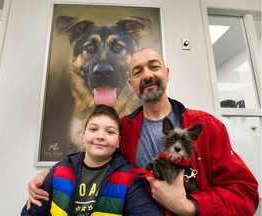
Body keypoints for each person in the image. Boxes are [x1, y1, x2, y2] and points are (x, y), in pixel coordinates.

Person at [26, 48, 259, 215]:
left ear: (166, 73)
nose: (147, 75)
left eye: (154, 67)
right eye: (137, 72)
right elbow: (93, 159)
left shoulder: (205, 126)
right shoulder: (121, 131)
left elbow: (246, 194)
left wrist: (189, 206)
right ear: (131, 84)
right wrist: (49, 175)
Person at [21, 104, 164, 215]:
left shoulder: (130, 179)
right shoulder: (60, 169)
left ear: (119, 142)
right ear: (83, 136)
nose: (100, 136)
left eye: (110, 131)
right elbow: (31, 212)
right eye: (93, 129)